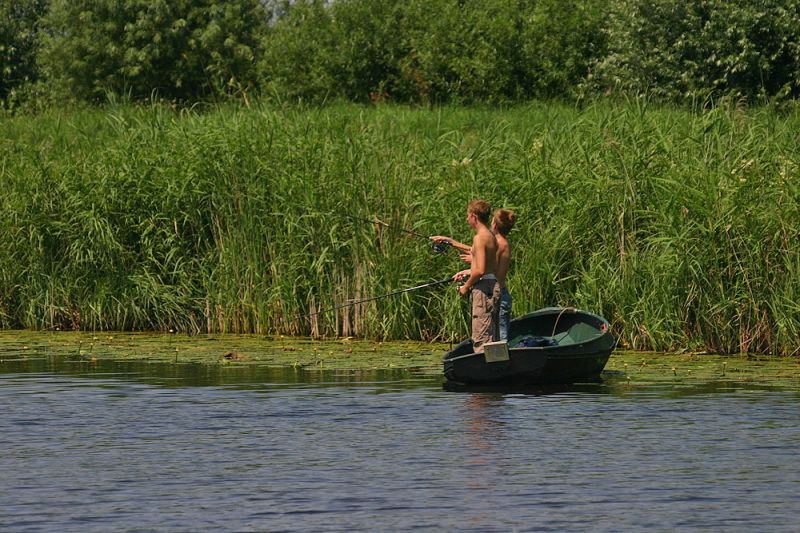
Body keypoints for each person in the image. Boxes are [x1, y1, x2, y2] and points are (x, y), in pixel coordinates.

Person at [433, 207, 516, 340]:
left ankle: (501, 360)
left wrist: (473, 264)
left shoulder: (499, 243)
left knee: (500, 338)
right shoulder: (498, 241)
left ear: (494, 224)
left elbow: (485, 266)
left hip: (498, 294)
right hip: (499, 292)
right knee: (497, 338)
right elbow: (480, 253)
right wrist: (452, 243)